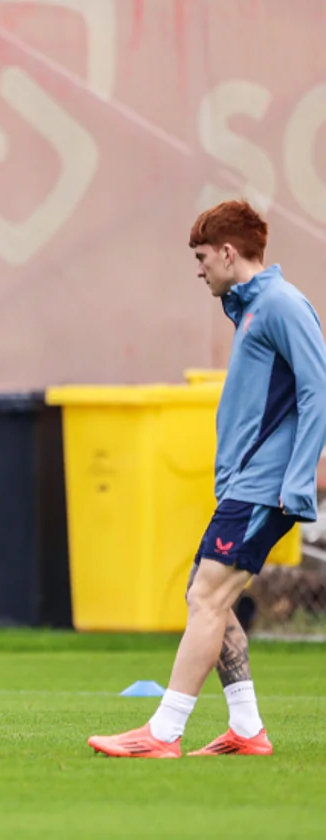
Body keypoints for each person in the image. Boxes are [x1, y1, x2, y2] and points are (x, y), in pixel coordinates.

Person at [89, 199, 326, 758]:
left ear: (227, 252)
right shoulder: (251, 307)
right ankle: (246, 727)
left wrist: (296, 480)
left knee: (205, 598)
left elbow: (318, 391)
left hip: (263, 486)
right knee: (207, 592)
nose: (198, 270)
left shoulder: (281, 305)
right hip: (246, 485)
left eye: (201, 257)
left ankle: (163, 733)